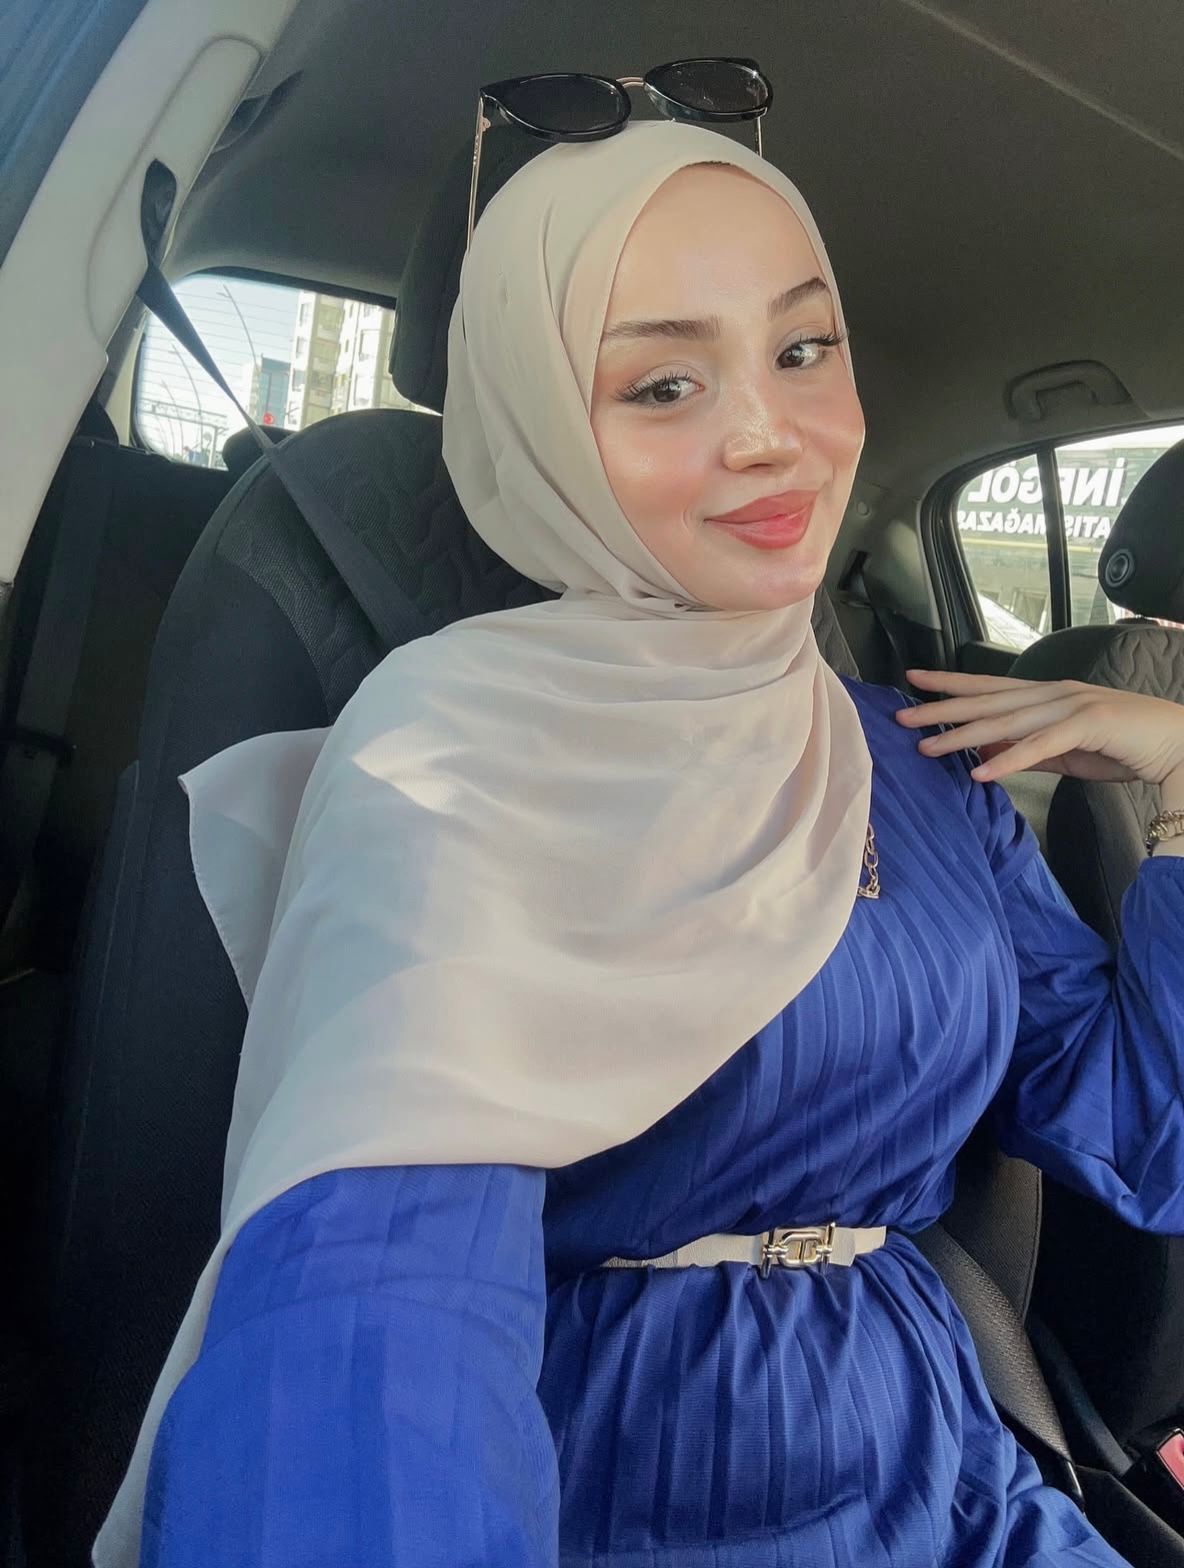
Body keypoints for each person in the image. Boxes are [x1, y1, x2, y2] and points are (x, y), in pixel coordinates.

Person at [95, 122, 1184, 1568]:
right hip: (627, 1478)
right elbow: (375, 1294)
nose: (770, 433)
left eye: (803, 350)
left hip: (951, 1467)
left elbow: (1148, 1137)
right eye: (664, 383)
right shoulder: (459, 750)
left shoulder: (920, 762)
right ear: (543, 426)